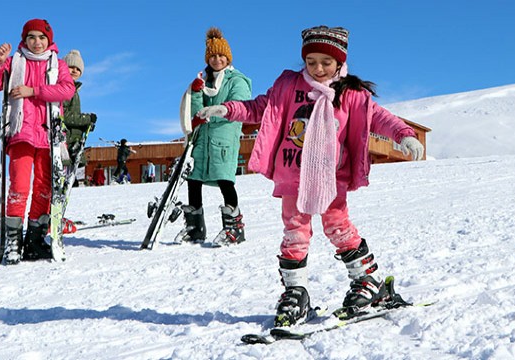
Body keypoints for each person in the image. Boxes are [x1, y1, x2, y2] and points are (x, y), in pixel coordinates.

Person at [196, 26, 424, 326]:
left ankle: (368, 282)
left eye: (326, 63)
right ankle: (295, 293)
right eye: (311, 61)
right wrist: (227, 109)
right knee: (294, 233)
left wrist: (404, 135)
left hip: (331, 177)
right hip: (293, 174)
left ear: (340, 63)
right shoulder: (289, 86)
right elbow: (260, 108)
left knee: (337, 227)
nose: (317, 68)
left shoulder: (351, 93)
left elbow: (378, 117)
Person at [0, 19, 75, 264]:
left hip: (49, 136)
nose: (37, 42)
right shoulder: (15, 62)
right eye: (32, 37)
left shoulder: (59, 65)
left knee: (45, 188)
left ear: (49, 40)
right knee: (20, 186)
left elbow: (67, 90)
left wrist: (32, 91)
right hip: (21, 132)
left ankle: (34, 240)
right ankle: (13, 241)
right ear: (24, 39)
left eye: (42, 37)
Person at [176, 27, 252, 246]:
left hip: (222, 139)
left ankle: (234, 228)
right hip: (202, 139)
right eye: (212, 55)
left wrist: (214, 113)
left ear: (228, 57)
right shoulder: (204, 80)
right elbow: (196, 109)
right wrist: (198, 94)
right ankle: (195, 228)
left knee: (225, 181)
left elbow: (238, 106)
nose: (217, 59)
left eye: (221, 55)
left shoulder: (237, 80)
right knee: (194, 180)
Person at [62, 49, 97, 167]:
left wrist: (86, 125)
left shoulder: (74, 90)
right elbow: (64, 116)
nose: (74, 71)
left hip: (73, 140)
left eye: (78, 69)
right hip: (65, 141)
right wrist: (86, 119)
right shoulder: (64, 89)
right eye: (71, 67)